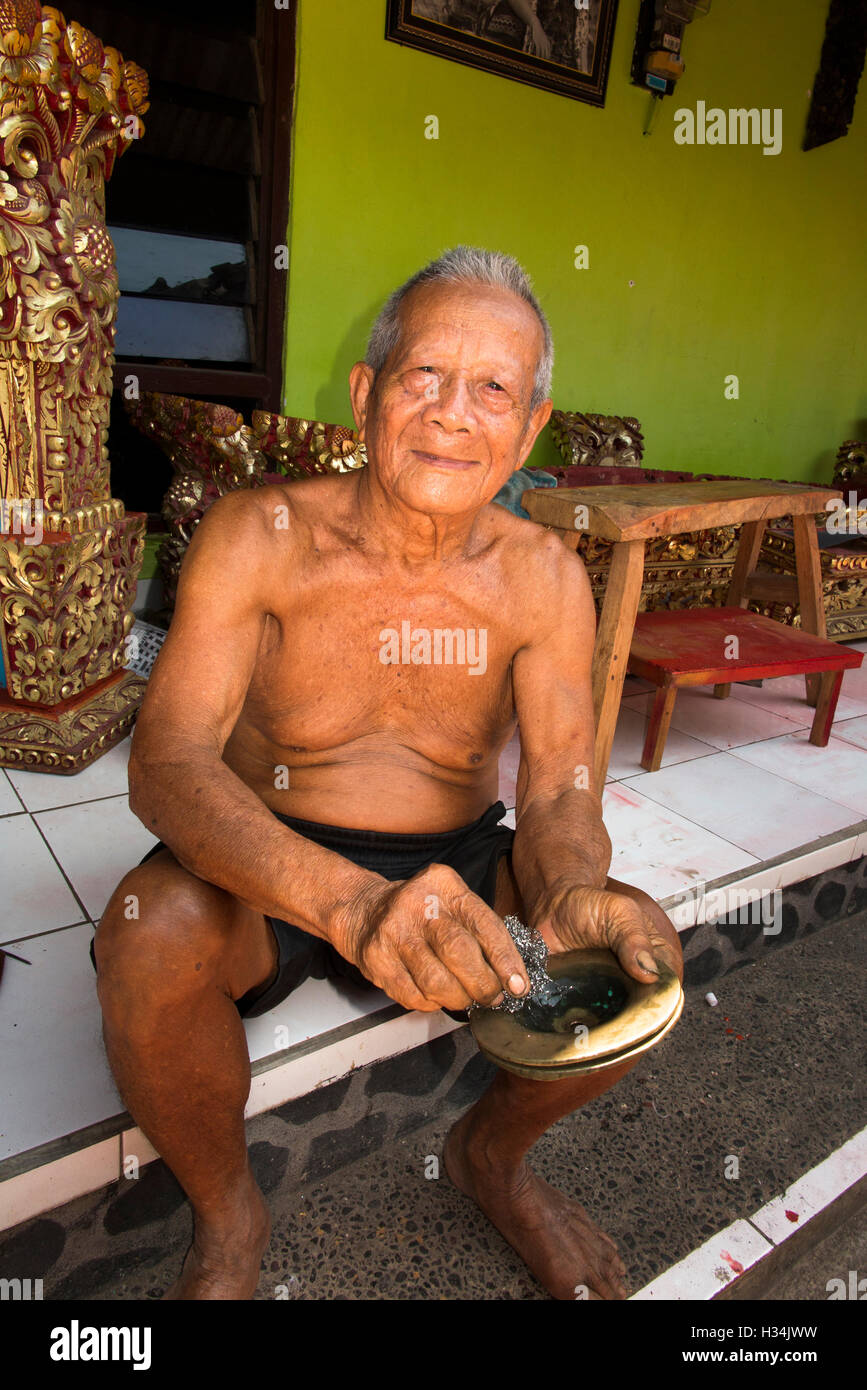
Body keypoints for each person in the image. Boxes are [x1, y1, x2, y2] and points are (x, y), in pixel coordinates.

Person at [93, 246, 682, 1301]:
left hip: (458, 857)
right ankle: (227, 1220)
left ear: (530, 428)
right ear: (365, 395)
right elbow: (167, 761)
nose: (457, 413)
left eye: (494, 388)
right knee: (143, 935)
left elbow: (556, 789)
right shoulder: (257, 535)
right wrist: (349, 903)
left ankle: (490, 1160)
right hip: (268, 861)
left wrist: (567, 887)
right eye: (425, 376)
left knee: (639, 951)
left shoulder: (545, 577)